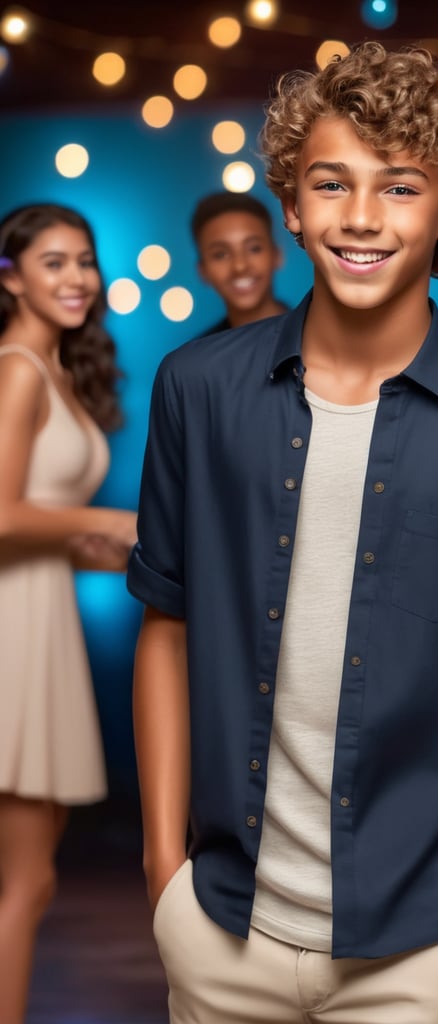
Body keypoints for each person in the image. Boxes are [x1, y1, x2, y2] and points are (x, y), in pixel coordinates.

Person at [128, 42, 438, 1024]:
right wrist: (163, 866)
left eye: (402, 186)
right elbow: (165, 623)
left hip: (423, 945)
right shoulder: (196, 391)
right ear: (291, 203)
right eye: (330, 183)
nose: (363, 217)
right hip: (220, 922)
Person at [0, 202, 137, 1022]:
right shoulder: (17, 367)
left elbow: (42, 525)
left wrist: (133, 551)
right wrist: (111, 521)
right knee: (26, 877)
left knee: (33, 874)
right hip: (12, 625)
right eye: (53, 262)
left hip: (38, 610)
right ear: (10, 277)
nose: (77, 278)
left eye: (83, 260)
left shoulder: (52, 370)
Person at [190, 191, 288, 336]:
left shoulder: (318, 333)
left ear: (276, 255)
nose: (239, 266)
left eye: (254, 249)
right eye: (220, 255)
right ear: (202, 271)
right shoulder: (197, 356)